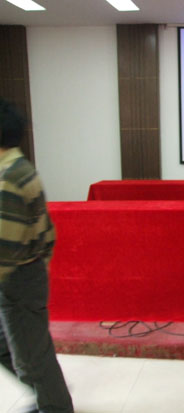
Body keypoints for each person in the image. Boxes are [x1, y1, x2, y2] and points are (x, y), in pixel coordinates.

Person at [0, 98, 74, 413]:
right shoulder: (19, 167)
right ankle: (47, 393)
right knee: (18, 348)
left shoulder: (8, 178)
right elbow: (47, 232)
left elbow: (5, 248)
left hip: (16, 278)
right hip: (24, 274)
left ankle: (54, 404)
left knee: (31, 356)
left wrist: (28, 272)